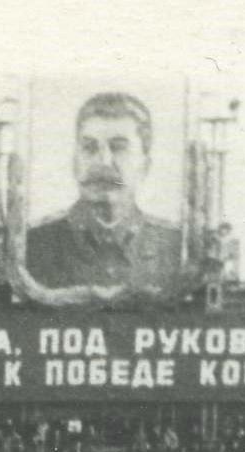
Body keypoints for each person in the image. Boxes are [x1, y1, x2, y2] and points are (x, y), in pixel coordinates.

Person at [22, 92, 186, 301]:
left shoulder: (176, 248)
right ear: (74, 162)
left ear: (144, 166)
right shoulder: (30, 246)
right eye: (89, 148)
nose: (103, 162)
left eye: (118, 148)